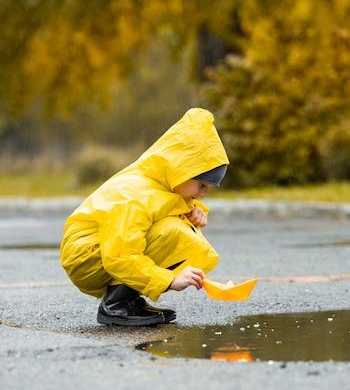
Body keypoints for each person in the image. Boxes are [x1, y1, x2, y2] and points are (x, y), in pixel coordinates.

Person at [60, 108, 229, 326]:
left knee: (177, 229)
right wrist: (167, 280)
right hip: (85, 257)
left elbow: (161, 211)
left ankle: (128, 300)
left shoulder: (159, 183)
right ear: (181, 170)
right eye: (202, 184)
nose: (204, 193)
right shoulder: (135, 196)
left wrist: (190, 216)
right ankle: (115, 306)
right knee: (172, 232)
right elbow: (120, 256)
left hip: (99, 250)